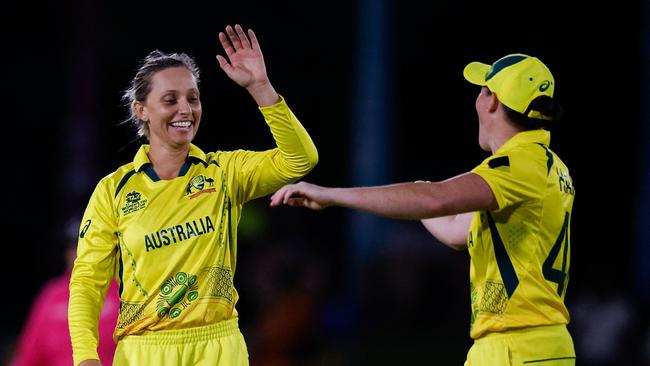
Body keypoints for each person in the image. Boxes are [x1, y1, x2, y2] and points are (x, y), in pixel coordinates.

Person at [271, 53, 576, 365]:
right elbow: (456, 230)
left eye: (481, 91)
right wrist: (412, 197)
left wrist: (331, 195)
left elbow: (435, 199)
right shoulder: (540, 166)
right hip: (522, 346)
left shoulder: (519, 166)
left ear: (493, 102)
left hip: (520, 348)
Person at [68, 24, 318, 366]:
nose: (185, 109)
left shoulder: (225, 173)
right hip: (144, 350)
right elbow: (86, 282)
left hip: (218, 346)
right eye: (170, 100)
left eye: (193, 98)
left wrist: (261, 88)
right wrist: (85, 356)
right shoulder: (114, 190)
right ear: (141, 109)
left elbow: (300, 160)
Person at [12, 216, 119, 366]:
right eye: (74, 246)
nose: (79, 252)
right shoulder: (51, 295)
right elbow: (28, 357)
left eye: (87, 245)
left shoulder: (122, 290)